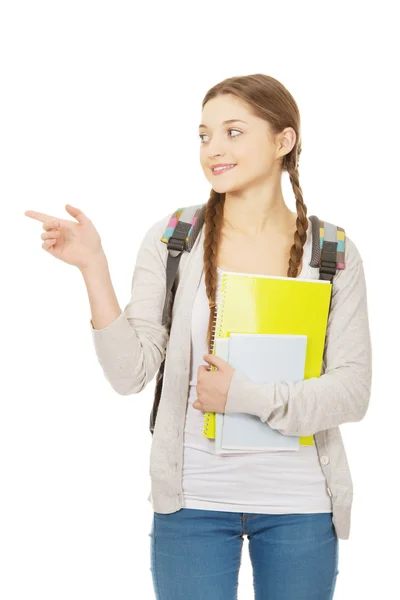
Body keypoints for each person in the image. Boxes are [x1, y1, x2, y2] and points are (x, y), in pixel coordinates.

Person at [25, 74, 372, 600]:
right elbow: (129, 375)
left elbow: (352, 391)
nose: (213, 150)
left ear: (284, 141)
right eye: (204, 135)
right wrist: (92, 266)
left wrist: (245, 398)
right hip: (191, 502)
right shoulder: (174, 238)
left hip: (300, 504)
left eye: (233, 132)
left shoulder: (332, 253)